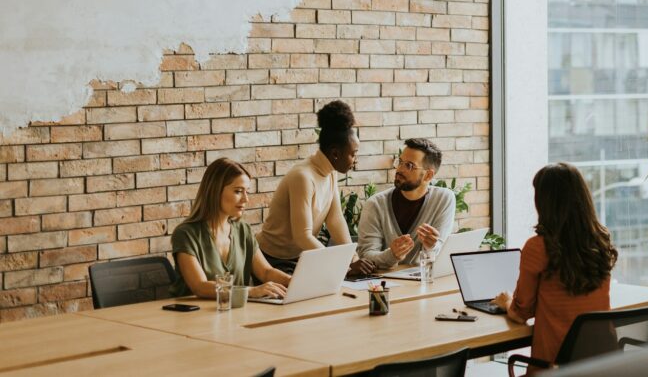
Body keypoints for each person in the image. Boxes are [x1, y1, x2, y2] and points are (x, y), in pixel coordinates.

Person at [492, 163, 618, 370]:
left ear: (544, 202)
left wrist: (506, 302)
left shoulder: (538, 247)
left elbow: (519, 314)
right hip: (601, 369)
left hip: (554, 369)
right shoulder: (600, 240)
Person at [256, 100, 374, 278]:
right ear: (335, 154)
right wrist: (342, 265)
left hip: (301, 257)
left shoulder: (330, 173)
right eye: (353, 153)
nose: (356, 159)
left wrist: (353, 258)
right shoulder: (303, 177)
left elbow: (335, 220)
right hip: (273, 261)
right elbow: (302, 236)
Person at [169, 158, 291, 299]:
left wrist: (292, 281)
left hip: (234, 314)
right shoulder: (185, 234)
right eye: (238, 191)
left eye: (247, 192)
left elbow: (265, 272)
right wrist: (251, 291)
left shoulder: (243, 230)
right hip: (192, 316)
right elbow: (200, 287)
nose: (246, 199)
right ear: (216, 191)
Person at [357, 138, 455, 268]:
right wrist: (392, 255)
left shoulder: (443, 199)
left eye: (409, 165)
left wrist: (432, 246)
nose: (399, 169)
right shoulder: (375, 204)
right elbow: (365, 256)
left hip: (424, 283)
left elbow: (440, 253)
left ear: (428, 176)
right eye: (400, 162)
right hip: (384, 284)